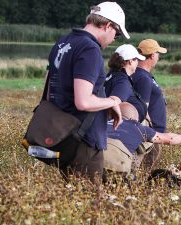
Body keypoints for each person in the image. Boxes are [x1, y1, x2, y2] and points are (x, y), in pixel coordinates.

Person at [43, 1, 130, 182]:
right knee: (91, 204)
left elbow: (49, 85)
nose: (115, 38)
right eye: (117, 33)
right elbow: (83, 102)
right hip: (84, 140)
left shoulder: (63, 42)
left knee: (72, 200)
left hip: (63, 134)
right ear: (107, 25)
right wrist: (113, 102)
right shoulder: (90, 49)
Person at [105, 102, 181, 173]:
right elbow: (168, 139)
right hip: (117, 167)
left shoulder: (101, 124)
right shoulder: (136, 126)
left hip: (94, 162)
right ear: (133, 118)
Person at [132, 39, 168, 172]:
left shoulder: (142, 75)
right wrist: (151, 131)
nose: (158, 57)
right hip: (150, 135)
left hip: (152, 133)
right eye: (158, 53)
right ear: (152, 55)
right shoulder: (143, 78)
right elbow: (142, 108)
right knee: (145, 171)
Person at [104, 44, 147, 122]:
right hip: (123, 128)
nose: (138, 63)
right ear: (130, 61)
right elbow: (113, 102)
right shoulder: (122, 81)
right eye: (136, 59)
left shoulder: (112, 75)